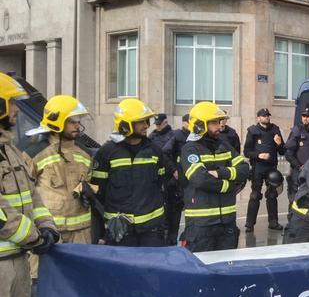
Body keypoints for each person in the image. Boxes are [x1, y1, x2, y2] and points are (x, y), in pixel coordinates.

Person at [0, 73, 59, 297]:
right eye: (10, 104)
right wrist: (34, 236)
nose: (15, 112)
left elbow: (32, 197)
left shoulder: (10, 150)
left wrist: (47, 226)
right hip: (2, 265)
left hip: (19, 260)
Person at [90, 98, 167, 247]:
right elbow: (98, 191)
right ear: (125, 125)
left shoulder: (155, 151)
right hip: (119, 230)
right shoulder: (106, 152)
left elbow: (161, 185)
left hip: (151, 230)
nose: (146, 126)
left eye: (146, 121)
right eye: (141, 122)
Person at [179, 102, 250, 252]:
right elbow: (200, 179)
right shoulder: (189, 149)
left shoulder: (223, 145)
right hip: (201, 225)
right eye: (214, 122)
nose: (220, 126)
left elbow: (244, 170)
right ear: (200, 124)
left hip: (227, 223)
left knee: (227, 269)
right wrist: (229, 186)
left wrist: (220, 173)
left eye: (220, 121)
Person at [28, 95, 92, 245]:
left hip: (81, 232)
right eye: (72, 121)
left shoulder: (84, 154)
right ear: (56, 122)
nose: (77, 126)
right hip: (50, 233)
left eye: (79, 121)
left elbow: (90, 183)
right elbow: (25, 192)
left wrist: (90, 191)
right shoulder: (35, 154)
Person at [243, 108, 285, 233]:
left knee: (272, 195)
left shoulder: (275, 129)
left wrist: (279, 144)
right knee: (255, 196)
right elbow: (246, 151)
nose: (266, 117)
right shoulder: (253, 131)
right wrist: (258, 155)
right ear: (258, 118)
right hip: (258, 167)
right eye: (264, 115)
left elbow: (282, 151)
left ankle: (273, 222)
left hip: (271, 167)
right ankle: (249, 224)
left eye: (267, 115)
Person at [284, 107, 309, 201]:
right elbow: (288, 153)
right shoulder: (296, 131)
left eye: (307, 116)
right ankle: (292, 215)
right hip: (299, 170)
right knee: (295, 198)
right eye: (303, 116)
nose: (305, 118)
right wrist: (298, 165)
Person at [161, 114, 189, 245]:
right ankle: (171, 240)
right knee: (174, 212)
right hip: (177, 182)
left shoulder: (195, 136)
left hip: (189, 179)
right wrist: (174, 170)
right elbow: (165, 152)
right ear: (184, 123)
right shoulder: (177, 136)